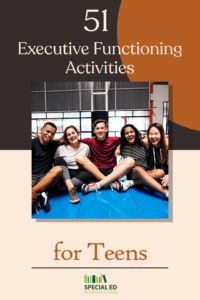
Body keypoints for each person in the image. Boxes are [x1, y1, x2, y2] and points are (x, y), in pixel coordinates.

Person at [75, 119, 136, 193]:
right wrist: (59, 140)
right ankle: (111, 183)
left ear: (106, 129)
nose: (100, 130)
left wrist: (118, 146)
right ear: (94, 131)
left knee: (130, 161)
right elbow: (74, 140)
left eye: (102, 128)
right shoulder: (89, 141)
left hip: (112, 172)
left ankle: (98, 185)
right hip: (96, 171)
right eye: (97, 128)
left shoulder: (113, 140)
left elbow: (124, 139)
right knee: (79, 157)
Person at [114, 124, 169, 198]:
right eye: (126, 133)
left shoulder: (145, 143)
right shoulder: (124, 147)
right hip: (133, 173)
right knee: (139, 169)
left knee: (160, 172)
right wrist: (119, 146)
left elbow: (163, 137)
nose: (129, 134)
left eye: (131, 132)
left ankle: (130, 183)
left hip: (146, 172)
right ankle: (167, 193)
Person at [53, 125, 93, 203]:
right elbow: (56, 163)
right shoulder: (61, 148)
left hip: (79, 173)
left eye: (73, 133)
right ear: (66, 138)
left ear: (77, 134)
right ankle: (72, 188)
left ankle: (62, 188)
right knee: (58, 159)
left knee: (89, 174)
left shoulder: (85, 147)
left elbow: (86, 161)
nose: (71, 136)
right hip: (65, 174)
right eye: (69, 134)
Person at [32, 122, 63, 211]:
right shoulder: (32, 143)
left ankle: (32, 192)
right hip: (30, 176)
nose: (49, 135)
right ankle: (43, 194)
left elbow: (64, 140)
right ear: (41, 130)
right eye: (47, 131)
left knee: (58, 169)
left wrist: (46, 137)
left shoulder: (54, 144)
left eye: (52, 134)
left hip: (45, 177)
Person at [147, 123, 169, 188]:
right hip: (152, 178)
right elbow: (133, 140)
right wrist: (118, 147)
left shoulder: (167, 146)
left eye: (156, 133)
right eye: (151, 134)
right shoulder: (146, 145)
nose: (153, 136)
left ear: (161, 134)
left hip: (166, 179)